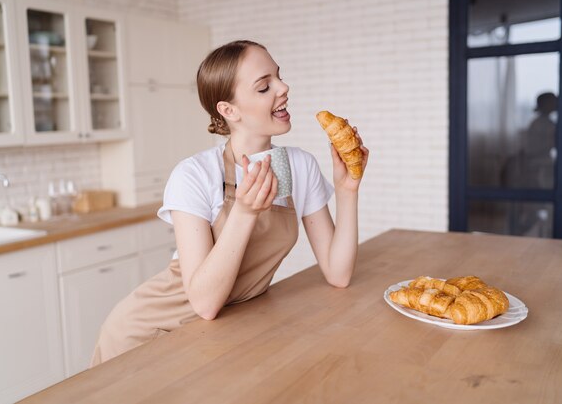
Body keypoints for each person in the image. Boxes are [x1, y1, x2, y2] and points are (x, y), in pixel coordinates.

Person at [90, 40, 369, 366]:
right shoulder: (194, 174)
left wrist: (347, 191)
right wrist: (245, 211)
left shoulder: (299, 166)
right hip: (151, 332)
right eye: (265, 87)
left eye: (278, 76)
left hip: (223, 332)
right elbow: (204, 303)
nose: (283, 87)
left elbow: (338, 274)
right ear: (228, 110)